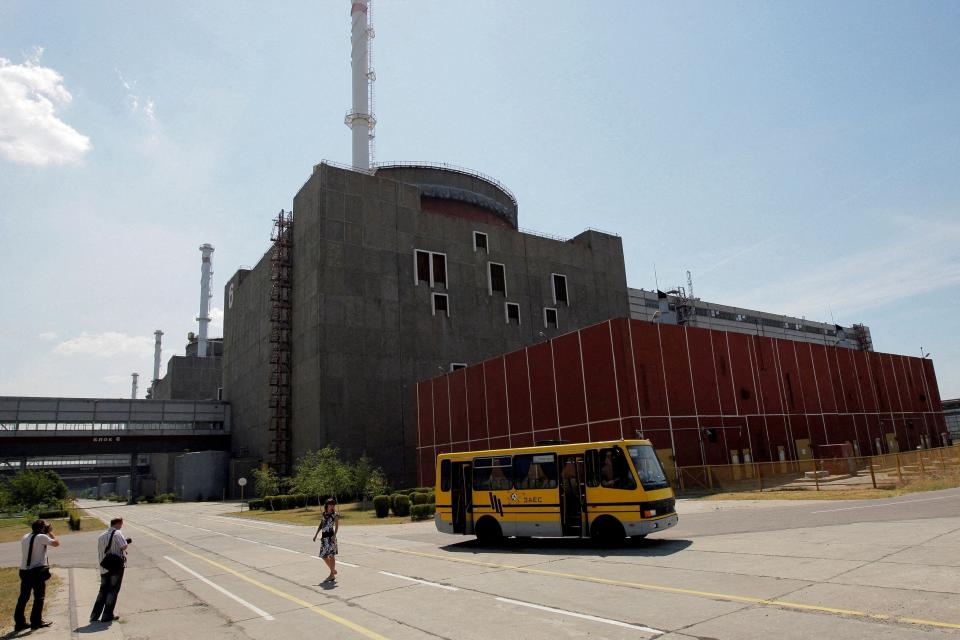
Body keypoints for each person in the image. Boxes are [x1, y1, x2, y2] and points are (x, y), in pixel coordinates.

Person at [14, 519, 59, 631]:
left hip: (24, 570)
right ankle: (36, 621)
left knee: (23, 597)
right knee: (39, 597)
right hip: (36, 571)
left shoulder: (25, 536)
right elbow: (56, 543)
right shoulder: (42, 537)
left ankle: (19, 623)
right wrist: (50, 532)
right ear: (43, 528)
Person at [90, 517, 130, 623]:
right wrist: (126, 543)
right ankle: (107, 615)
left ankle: (94, 615)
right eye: (121, 524)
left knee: (103, 591)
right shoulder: (117, 533)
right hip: (115, 566)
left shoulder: (101, 535)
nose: (121, 526)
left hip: (104, 566)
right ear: (118, 523)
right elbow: (124, 546)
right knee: (113, 590)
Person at [312, 498, 340, 582]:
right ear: (327, 505)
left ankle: (332, 575)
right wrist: (316, 535)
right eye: (330, 504)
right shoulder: (324, 514)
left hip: (331, 537)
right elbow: (321, 525)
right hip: (324, 538)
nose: (331, 506)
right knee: (323, 556)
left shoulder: (335, 515)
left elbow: (337, 526)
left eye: (333, 504)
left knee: (331, 555)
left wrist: (334, 536)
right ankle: (333, 570)